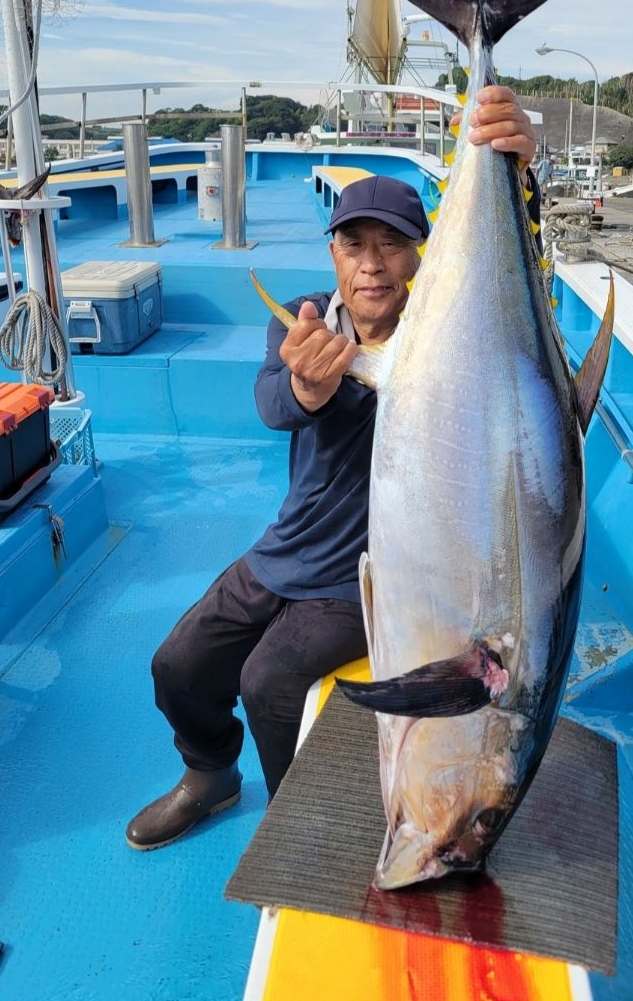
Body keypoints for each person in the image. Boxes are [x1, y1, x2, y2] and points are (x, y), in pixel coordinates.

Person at [125, 86, 539, 850]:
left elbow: (517, 345)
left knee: (268, 683)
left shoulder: (447, 338)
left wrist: (521, 175)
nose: (373, 266)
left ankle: (299, 823)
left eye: (392, 245)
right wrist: (309, 388)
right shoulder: (304, 317)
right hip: (285, 550)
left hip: (371, 571)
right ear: (333, 254)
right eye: (356, 246)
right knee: (176, 666)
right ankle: (209, 775)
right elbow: (273, 403)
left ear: (421, 255)